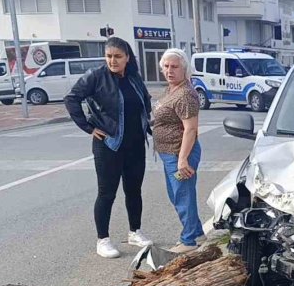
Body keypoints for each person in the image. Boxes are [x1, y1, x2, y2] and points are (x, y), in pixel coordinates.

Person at [64, 37, 154, 258]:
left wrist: (146, 121)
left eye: (118, 56)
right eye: (109, 56)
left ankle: (135, 231)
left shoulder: (133, 77)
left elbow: (145, 101)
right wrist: (88, 127)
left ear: (127, 58)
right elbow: (71, 99)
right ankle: (102, 240)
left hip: (135, 144)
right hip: (109, 145)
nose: (112, 61)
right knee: (107, 194)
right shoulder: (96, 77)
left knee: (134, 190)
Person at [153, 48, 204, 253]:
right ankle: (198, 232)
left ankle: (189, 240)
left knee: (183, 196)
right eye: (166, 66)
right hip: (169, 154)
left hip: (180, 154)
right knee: (177, 195)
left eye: (174, 67)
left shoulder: (185, 94)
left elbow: (190, 129)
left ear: (184, 69)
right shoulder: (171, 89)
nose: (169, 70)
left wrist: (183, 159)